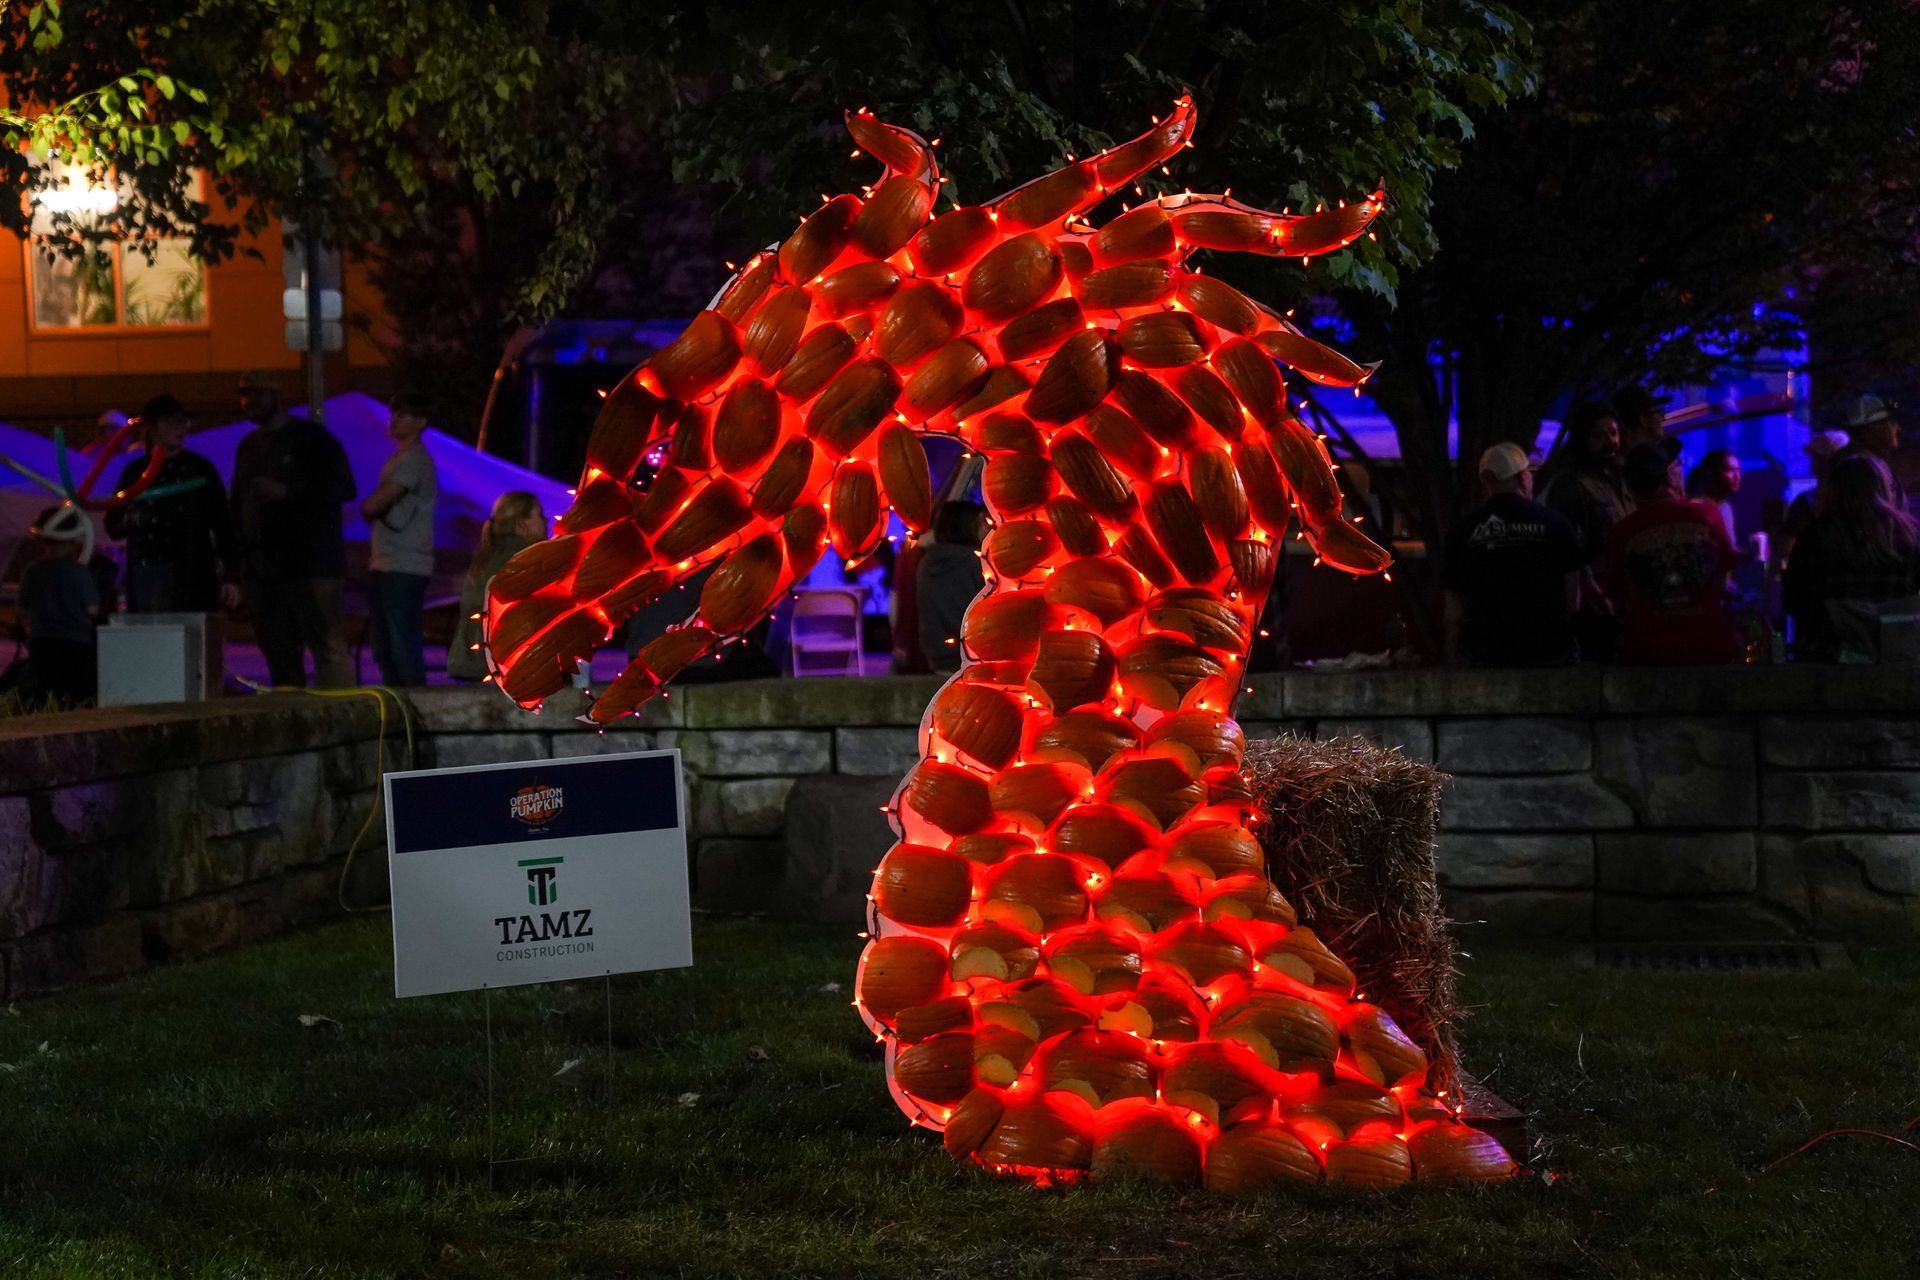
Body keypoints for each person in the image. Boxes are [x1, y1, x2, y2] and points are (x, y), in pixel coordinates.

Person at [229, 370, 357, 688]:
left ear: (276, 395)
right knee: (278, 650)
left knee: (325, 646)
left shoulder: (311, 438)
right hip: (264, 567)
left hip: (310, 565)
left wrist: (287, 491)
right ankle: (292, 714)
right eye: (244, 395)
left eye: (256, 395)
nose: (249, 402)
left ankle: (343, 715)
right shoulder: (249, 445)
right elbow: (237, 503)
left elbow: (343, 488)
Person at [1441, 443, 1584, 665]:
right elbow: (1572, 600)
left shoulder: (1462, 532)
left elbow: (1454, 612)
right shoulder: (1556, 524)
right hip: (1546, 653)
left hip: (1484, 655)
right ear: (1521, 478)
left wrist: (1452, 657)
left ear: (1486, 483)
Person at [1604, 439, 1742, 664]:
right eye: (1679, 465)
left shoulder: (1621, 533)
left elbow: (1618, 598)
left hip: (1646, 653)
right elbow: (1721, 582)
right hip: (1708, 647)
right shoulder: (1707, 516)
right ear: (1670, 475)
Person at [106, 395, 238, 614]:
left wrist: (231, 575)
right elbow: (114, 523)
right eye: (170, 421)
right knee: (151, 635)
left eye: (183, 421)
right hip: (147, 570)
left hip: (191, 571)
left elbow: (223, 523)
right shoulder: (135, 472)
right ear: (152, 427)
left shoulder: (199, 469)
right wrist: (130, 519)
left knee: (191, 636)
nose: (181, 428)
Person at [1782, 454, 1920, 661]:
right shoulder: (1909, 536)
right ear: (1882, 487)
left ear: (1834, 491)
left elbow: (1794, 599)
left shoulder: (1817, 536)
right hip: (1894, 655)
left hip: (1828, 657)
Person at [1540, 402, 1633, 659]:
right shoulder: (1572, 485)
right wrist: (1595, 595)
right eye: (1599, 435)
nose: (1610, 441)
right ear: (1583, 438)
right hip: (1595, 606)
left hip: (1624, 596)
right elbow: (1571, 552)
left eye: (1612, 433)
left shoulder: (1620, 480)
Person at [360, 395, 439, 687]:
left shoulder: (414, 459)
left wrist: (369, 507)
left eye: (403, 414)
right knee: (386, 646)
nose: (394, 420)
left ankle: (412, 712)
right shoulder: (399, 458)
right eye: (394, 414)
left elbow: (376, 504)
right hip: (388, 562)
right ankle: (401, 709)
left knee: (400, 645)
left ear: (420, 422)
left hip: (404, 565)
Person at [448, 491, 545, 682]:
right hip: (499, 669)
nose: (546, 521)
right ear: (522, 523)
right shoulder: (524, 559)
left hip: (469, 661)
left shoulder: (488, 556)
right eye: (540, 515)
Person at [17, 505, 102, 706]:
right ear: (72, 540)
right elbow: (92, 609)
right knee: (75, 695)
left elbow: (22, 610)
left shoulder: (32, 571)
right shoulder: (78, 572)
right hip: (76, 643)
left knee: (44, 695)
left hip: (42, 642)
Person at [917, 500, 986, 673]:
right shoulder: (976, 564)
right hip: (972, 657)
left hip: (935, 657)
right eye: (982, 524)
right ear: (970, 527)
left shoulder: (925, 561)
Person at [1687, 448, 1742, 545]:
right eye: (1729, 470)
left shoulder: (1726, 508)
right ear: (1710, 474)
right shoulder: (1697, 508)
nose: (1737, 476)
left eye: (1738, 470)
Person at [1612, 385, 1668, 453]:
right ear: (1643, 420)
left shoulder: (1624, 458)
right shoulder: (1647, 460)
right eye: (1658, 412)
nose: (1663, 417)